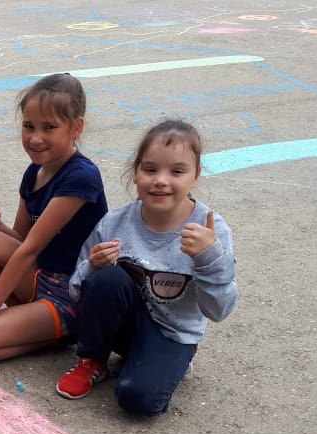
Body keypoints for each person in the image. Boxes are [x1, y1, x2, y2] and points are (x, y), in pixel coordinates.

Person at [55, 120, 237, 415]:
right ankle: (92, 359)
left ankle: (166, 363)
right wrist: (91, 267)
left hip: (172, 334)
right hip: (125, 325)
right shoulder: (115, 222)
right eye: (150, 169)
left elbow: (220, 310)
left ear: (196, 177)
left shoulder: (208, 230)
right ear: (136, 173)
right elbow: (75, 290)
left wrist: (208, 258)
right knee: (108, 278)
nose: (161, 180)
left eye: (177, 171)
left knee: (138, 399)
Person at [0, 73, 107, 361]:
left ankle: (61, 330)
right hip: (40, 276)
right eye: (28, 126)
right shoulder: (35, 170)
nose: (35, 138)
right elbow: (22, 239)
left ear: (76, 127)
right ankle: (39, 327)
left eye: (49, 127)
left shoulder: (81, 176)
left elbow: (29, 249)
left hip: (70, 293)